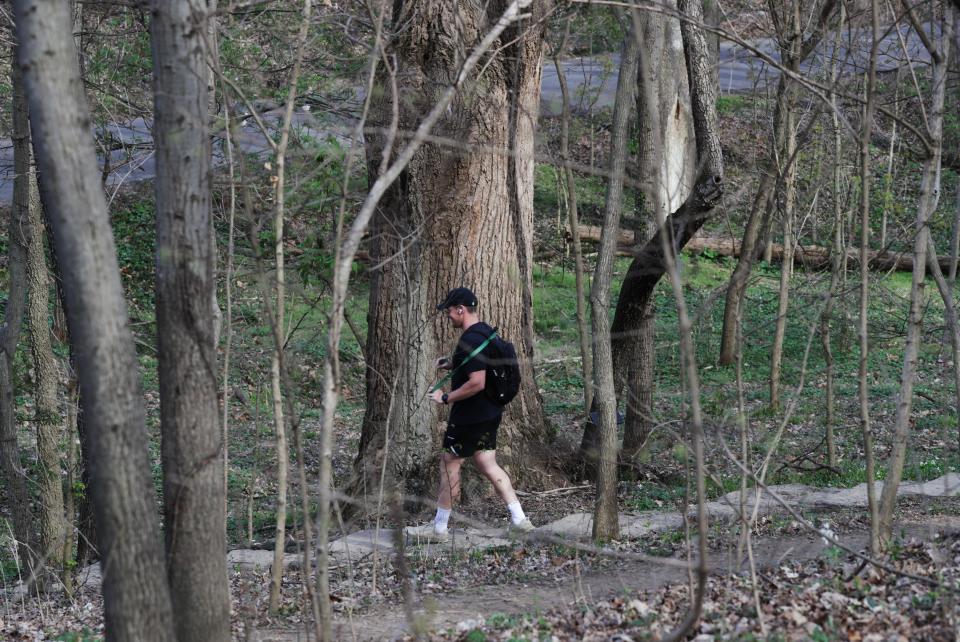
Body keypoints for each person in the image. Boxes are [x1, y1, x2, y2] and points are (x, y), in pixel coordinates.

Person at [405, 287, 535, 543]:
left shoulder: (469, 340)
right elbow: (478, 363)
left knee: (449, 464)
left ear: (461, 310)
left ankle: (439, 529)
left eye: (450, 312)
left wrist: (445, 398)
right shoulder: (485, 332)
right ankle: (520, 521)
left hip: (470, 416)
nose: (448, 317)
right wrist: (454, 363)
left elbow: (476, 382)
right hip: (490, 412)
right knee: (487, 463)